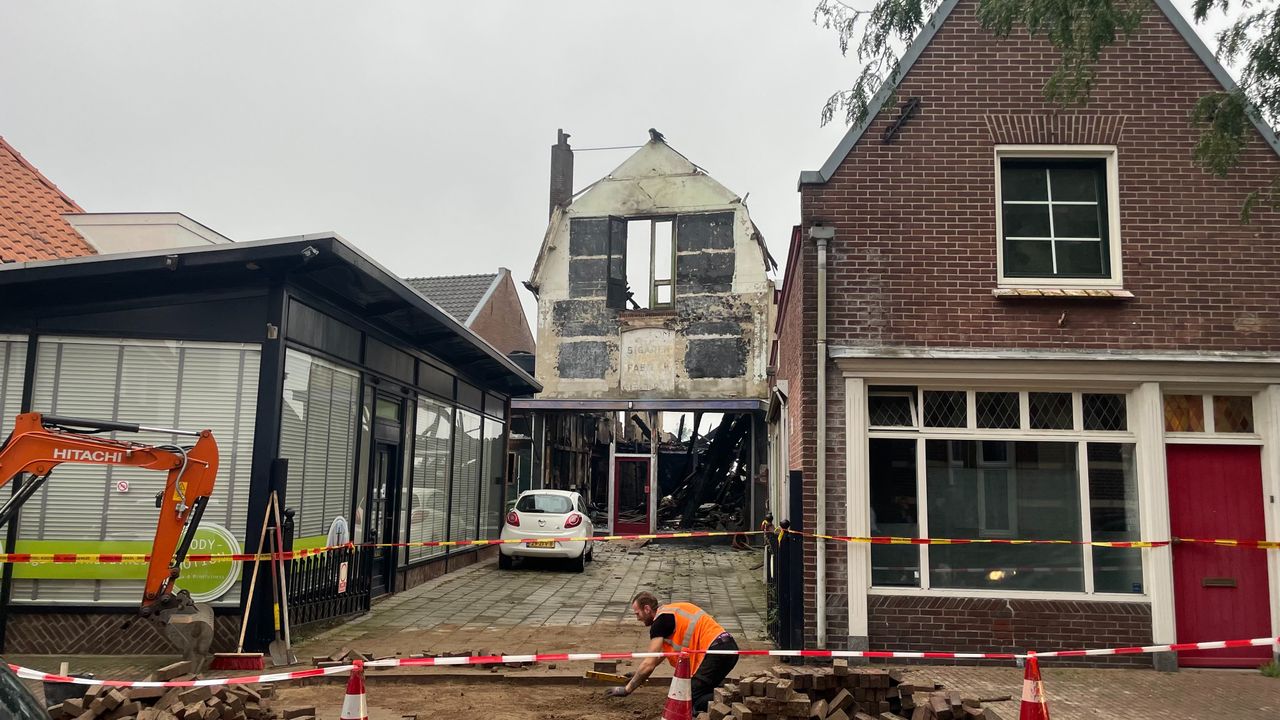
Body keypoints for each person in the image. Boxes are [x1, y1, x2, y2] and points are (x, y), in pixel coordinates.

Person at [604, 591, 738, 712]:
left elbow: (649, 663)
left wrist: (627, 689)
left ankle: (738, 703)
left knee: (688, 699)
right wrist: (638, 674)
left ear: (647, 609)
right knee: (701, 691)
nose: (637, 618)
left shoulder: (660, 622)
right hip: (727, 647)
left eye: (637, 613)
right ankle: (732, 700)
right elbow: (660, 655)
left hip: (716, 652)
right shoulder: (670, 614)